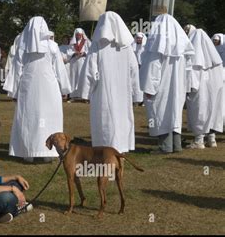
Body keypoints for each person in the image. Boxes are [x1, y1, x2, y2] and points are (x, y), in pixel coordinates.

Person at [6, 16, 71, 162]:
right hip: (48, 87)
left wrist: (13, 90)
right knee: (47, 117)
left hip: (29, 87)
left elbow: (17, 70)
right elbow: (59, 70)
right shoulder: (52, 46)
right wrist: (64, 88)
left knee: (30, 117)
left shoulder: (23, 47)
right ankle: (44, 154)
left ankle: (29, 152)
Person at [78, 12, 142, 153]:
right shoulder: (127, 47)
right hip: (122, 93)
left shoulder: (97, 46)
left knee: (105, 119)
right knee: (121, 118)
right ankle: (121, 148)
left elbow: (90, 70)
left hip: (103, 92)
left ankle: (105, 149)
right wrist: (137, 94)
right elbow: (134, 71)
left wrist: (85, 92)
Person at [139, 14, 195, 154]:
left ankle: (165, 146)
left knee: (161, 113)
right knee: (174, 114)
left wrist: (149, 87)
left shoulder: (157, 44)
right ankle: (176, 145)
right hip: (178, 87)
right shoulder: (182, 46)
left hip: (162, 86)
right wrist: (185, 86)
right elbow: (188, 68)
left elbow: (153, 67)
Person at [186, 29, 223, 149]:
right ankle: (212, 139)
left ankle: (199, 140)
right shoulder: (216, 60)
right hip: (215, 90)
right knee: (213, 112)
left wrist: (189, 89)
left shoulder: (196, 60)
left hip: (200, 92)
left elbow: (193, 79)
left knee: (199, 112)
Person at [66, 28, 90, 100]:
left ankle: (84, 96)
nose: (78, 36)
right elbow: (68, 52)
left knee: (82, 77)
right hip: (74, 62)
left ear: (82, 34)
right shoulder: (72, 42)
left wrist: (84, 53)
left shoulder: (86, 41)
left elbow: (91, 50)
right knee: (74, 77)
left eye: (79, 35)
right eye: (77, 35)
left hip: (83, 61)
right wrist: (74, 53)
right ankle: (73, 95)